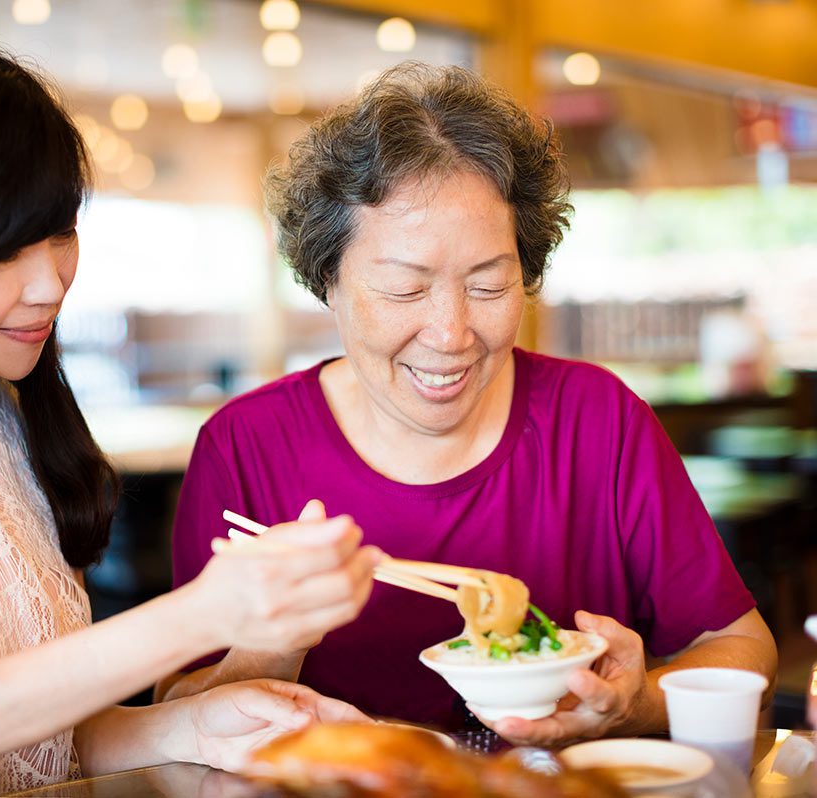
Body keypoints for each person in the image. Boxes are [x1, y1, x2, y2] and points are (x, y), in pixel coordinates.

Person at [0, 40, 380, 797]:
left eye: (61, 231)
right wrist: (201, 615)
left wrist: (195, 726)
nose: (49, 284)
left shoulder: (3, 413)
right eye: (3, 248)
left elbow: (45, 742)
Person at [160, 62, 778, 746]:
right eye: (403, 289)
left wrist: (632, 702)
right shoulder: (247, 446)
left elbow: (741, 646)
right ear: (326, 280)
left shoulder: (598, 420)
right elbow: (174, 708)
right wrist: (271, 647)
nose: (451, 334)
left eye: (488, 285)